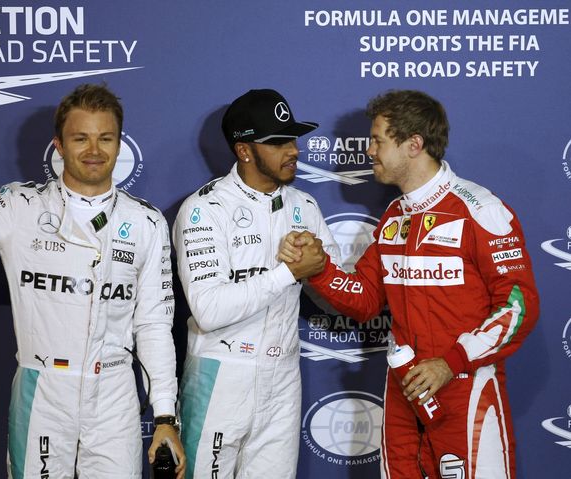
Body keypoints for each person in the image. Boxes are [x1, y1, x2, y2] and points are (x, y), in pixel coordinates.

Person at [0, 84, 185, 478]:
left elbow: (154, 325)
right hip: (43, 390)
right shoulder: (19, 208)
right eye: (80, 138)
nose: (94, 150)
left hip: (115, 394)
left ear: (120, 143)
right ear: (58, 144)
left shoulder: (147, 222)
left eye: (105, 138)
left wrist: (164, 418)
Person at [280, 89, 539, 478]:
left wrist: (451, 363)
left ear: (414, 144)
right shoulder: (394, 217)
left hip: (465, 390)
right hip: (404, 393)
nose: (368, 151)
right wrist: (317, 269)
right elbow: (365, 298)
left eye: (378, 140)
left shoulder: (480, 209)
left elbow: (518, 307)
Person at [172, 89, 341, 478]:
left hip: (283, 378)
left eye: (293, 138)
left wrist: (321, 269)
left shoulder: (305, 206)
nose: (293, 149)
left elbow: (334, 301)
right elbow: (210, 310)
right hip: (220, 375)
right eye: (278, 141)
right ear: (244, 150)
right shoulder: (204, 209)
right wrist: (289, 272)